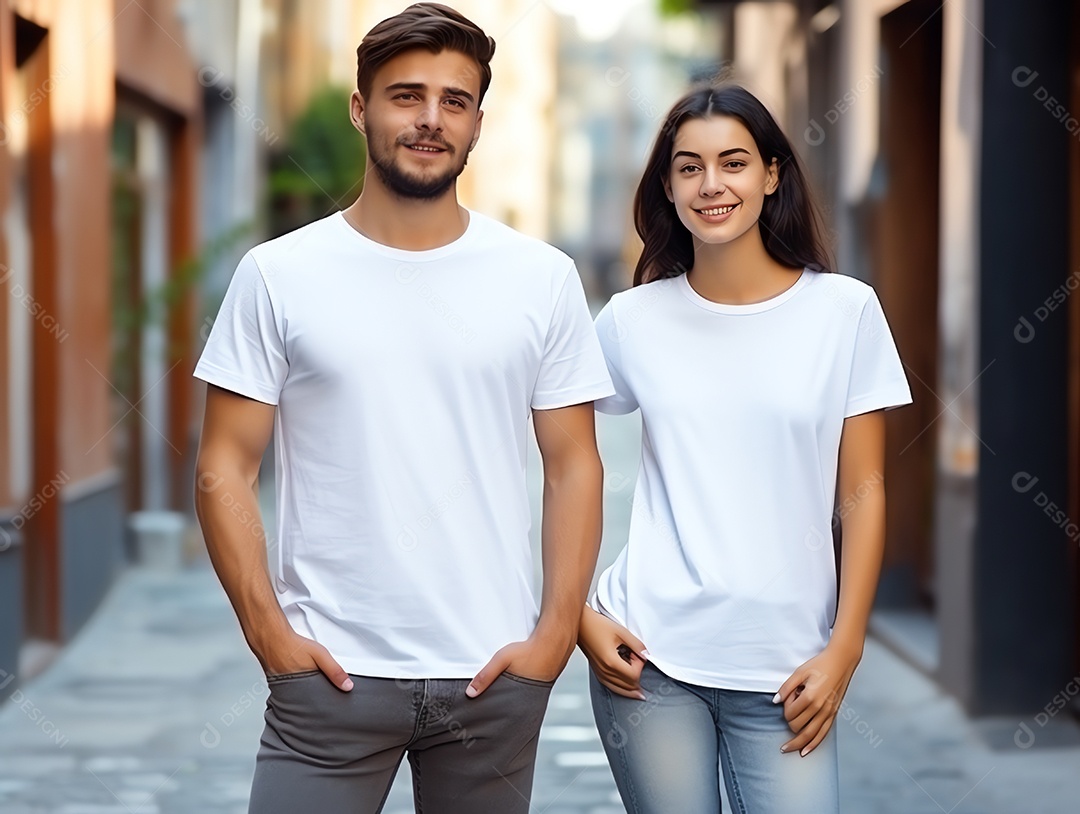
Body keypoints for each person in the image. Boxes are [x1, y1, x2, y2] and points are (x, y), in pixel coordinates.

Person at [193, 4, 614, 812]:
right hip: (329, 684)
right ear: (361, 108)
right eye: (405, 95)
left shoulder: (541, 277)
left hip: (492, 681)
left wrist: (555, 636)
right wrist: (268, 632)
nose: (430, 119)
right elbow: (224, 464)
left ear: (479, 123)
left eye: (454, 101)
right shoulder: (280, 273)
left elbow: (574, 464)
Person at [578, 83, 912, 813]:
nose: (711, 184)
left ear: (771, 174)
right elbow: (555, 458)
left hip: (789, 670)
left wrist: (845, 646)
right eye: (689, 167)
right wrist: (578, 611)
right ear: (667, 188)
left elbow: (866, 492)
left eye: (733, 162)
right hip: (649, 663)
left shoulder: (845, 312)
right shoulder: (632, 321)